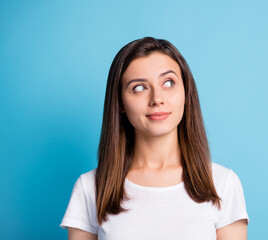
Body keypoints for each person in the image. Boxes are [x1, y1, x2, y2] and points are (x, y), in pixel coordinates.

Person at [60, 37, 249, 240]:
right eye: (139, 87)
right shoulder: (91, 187)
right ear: (120, 103)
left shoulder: (222, 184)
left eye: (168, 83)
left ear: (186, 93)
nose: (157, 98)